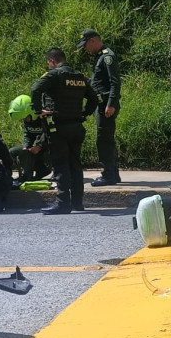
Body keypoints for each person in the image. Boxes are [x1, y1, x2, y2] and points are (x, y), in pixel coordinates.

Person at [30, 47, 98, 214]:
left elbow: (35, 89)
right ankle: (77, 203)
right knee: (75, 165)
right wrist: (84, 114)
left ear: (52, 61)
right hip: (76, 127)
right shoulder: (79, 77)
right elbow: (94, 99)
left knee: (61, 166)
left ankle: (62, 203)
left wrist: (38, 111)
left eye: (49, 63)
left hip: (58, 127)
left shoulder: (54, 75)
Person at [77, 29, 122, 187]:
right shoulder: (99, 57)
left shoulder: (107, 56)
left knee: (103, 140)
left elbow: (115, 82)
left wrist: (111, 103)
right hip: (102, 103)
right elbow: (100, 82)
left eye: (86, 45)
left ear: (94, 41)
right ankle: (113, 174)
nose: (85, 49)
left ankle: (108, 174)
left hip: (106, 105)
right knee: (106, 139)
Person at [7, 94, 51, 187]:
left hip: (49, 146)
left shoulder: (44, 117)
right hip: (38, 147)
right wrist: (25, 146)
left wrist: (39, 146)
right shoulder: (27, 120)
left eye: (26, 117)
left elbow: (50, 134)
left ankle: (48, 169)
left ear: (31, 112)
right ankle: (26, 175)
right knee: (13, 152)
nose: (25, 120)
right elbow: (28, 135)